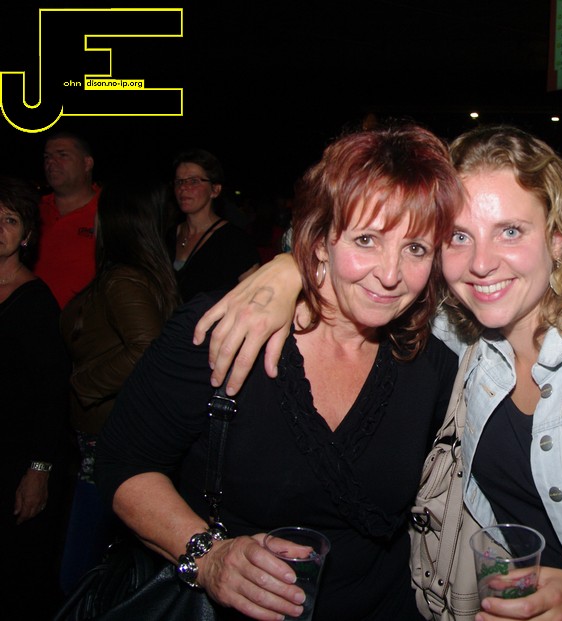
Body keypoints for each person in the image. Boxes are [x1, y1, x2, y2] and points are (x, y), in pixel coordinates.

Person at [195, 125, 562, 619]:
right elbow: (362, 268)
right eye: (458, 237)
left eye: (510, 231)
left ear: (557, 240)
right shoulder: (458, 341)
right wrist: (287, 271)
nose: (481, 263)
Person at [95, 124, 463, 620]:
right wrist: (210, 556)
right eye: (366, 240)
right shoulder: (226, 330)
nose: (391, 273)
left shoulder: (431, 368)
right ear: (320, 241)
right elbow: (123, 464)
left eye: (415, 248)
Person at [58, 178, 180, 592]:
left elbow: (147, 348)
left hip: (108, 437)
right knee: (107, 566)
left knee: (79, 573)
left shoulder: (122, 278)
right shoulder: (140, 275)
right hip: (117, 432)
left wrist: (82, 383)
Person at [0, 176, 72, 618]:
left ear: (26, 235)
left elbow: (51, 395)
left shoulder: (36, 302)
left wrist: (38, 470)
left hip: (13, 459)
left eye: (9, 220)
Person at [168, 148, 260, 302]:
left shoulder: (235, 242)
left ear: (215, 190)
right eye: (179, 181)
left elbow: (256, 298)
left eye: (193, 181)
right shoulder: (167, 236)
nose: (183, 188)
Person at [34, 132, 101, 308]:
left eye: (62, 155)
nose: (51, 162)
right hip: (33, 318)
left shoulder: (110, 212)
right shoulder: (33, 211)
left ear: (87, 163)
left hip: (87, 320)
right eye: (47, 157)